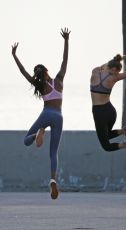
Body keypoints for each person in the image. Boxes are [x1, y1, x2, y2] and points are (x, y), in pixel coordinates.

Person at [12, 27, 71, 199]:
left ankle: (39, 132)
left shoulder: (40, 85)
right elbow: (64, 60)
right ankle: (53, 180)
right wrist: (66, 40)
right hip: (59, 116)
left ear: (38, 75)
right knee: (53, 153)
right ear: (46, 71)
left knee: (26, 140)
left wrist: (14, 55)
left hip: (46, 114)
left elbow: (23, 72)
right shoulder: (59, 79)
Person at [90, 38, 126, 155]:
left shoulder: (96, 70)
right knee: (106, 135)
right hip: (110, 111)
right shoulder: (113, 78)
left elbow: (114, 61)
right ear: (113, 69)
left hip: (99, 112)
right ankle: (124, 131)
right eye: (116, 71)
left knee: (106, 146)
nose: (117, 74)